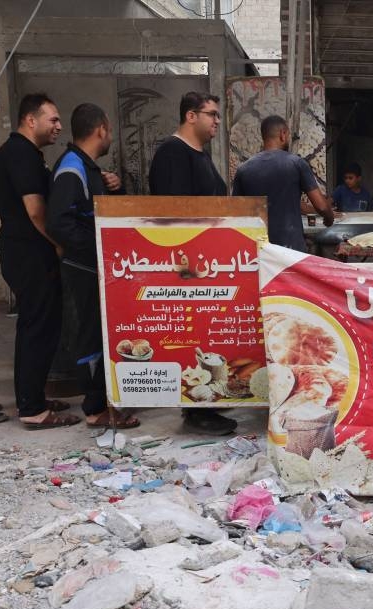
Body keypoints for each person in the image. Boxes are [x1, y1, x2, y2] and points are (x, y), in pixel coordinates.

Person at [148, 91, 237, 436]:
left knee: (209, 333)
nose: (216, 121)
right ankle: (197, 410)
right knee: (194, 334)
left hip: (210, 261)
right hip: (189, 264)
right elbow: (174, 214)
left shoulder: (199, 153)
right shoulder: (173, 153)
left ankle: (208, 400)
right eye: (211, 114)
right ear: (190, 116)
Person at [46, 103, 139, 430]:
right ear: (101, 129)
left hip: (96, 266)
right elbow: (59, 222)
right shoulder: (72, 167)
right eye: (110, 129)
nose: (110, 134)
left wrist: (115, 188)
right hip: (84, 267)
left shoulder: (88, 168)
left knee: (100, 333)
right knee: (89, 335)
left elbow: (97, 214)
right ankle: (95, 409)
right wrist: (97, 250)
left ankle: (102, 402)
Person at [0, 93, 76, 428]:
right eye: (53, 119)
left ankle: (34, 396)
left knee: (42, 326)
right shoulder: (20, 153)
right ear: (31, 119)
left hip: (27, 250)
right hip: (29, 252)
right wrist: (59, 245)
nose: (58, 125)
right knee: (36, 327)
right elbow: (35, 210)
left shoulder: (27, 153)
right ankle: (31, 409)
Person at [232, 115, 333, 252]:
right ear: (283, 134)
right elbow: (321, 206)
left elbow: (235, 213)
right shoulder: (296, 164)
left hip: (257, 249)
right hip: (291, 250)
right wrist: (329, 218)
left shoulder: (243, 169)